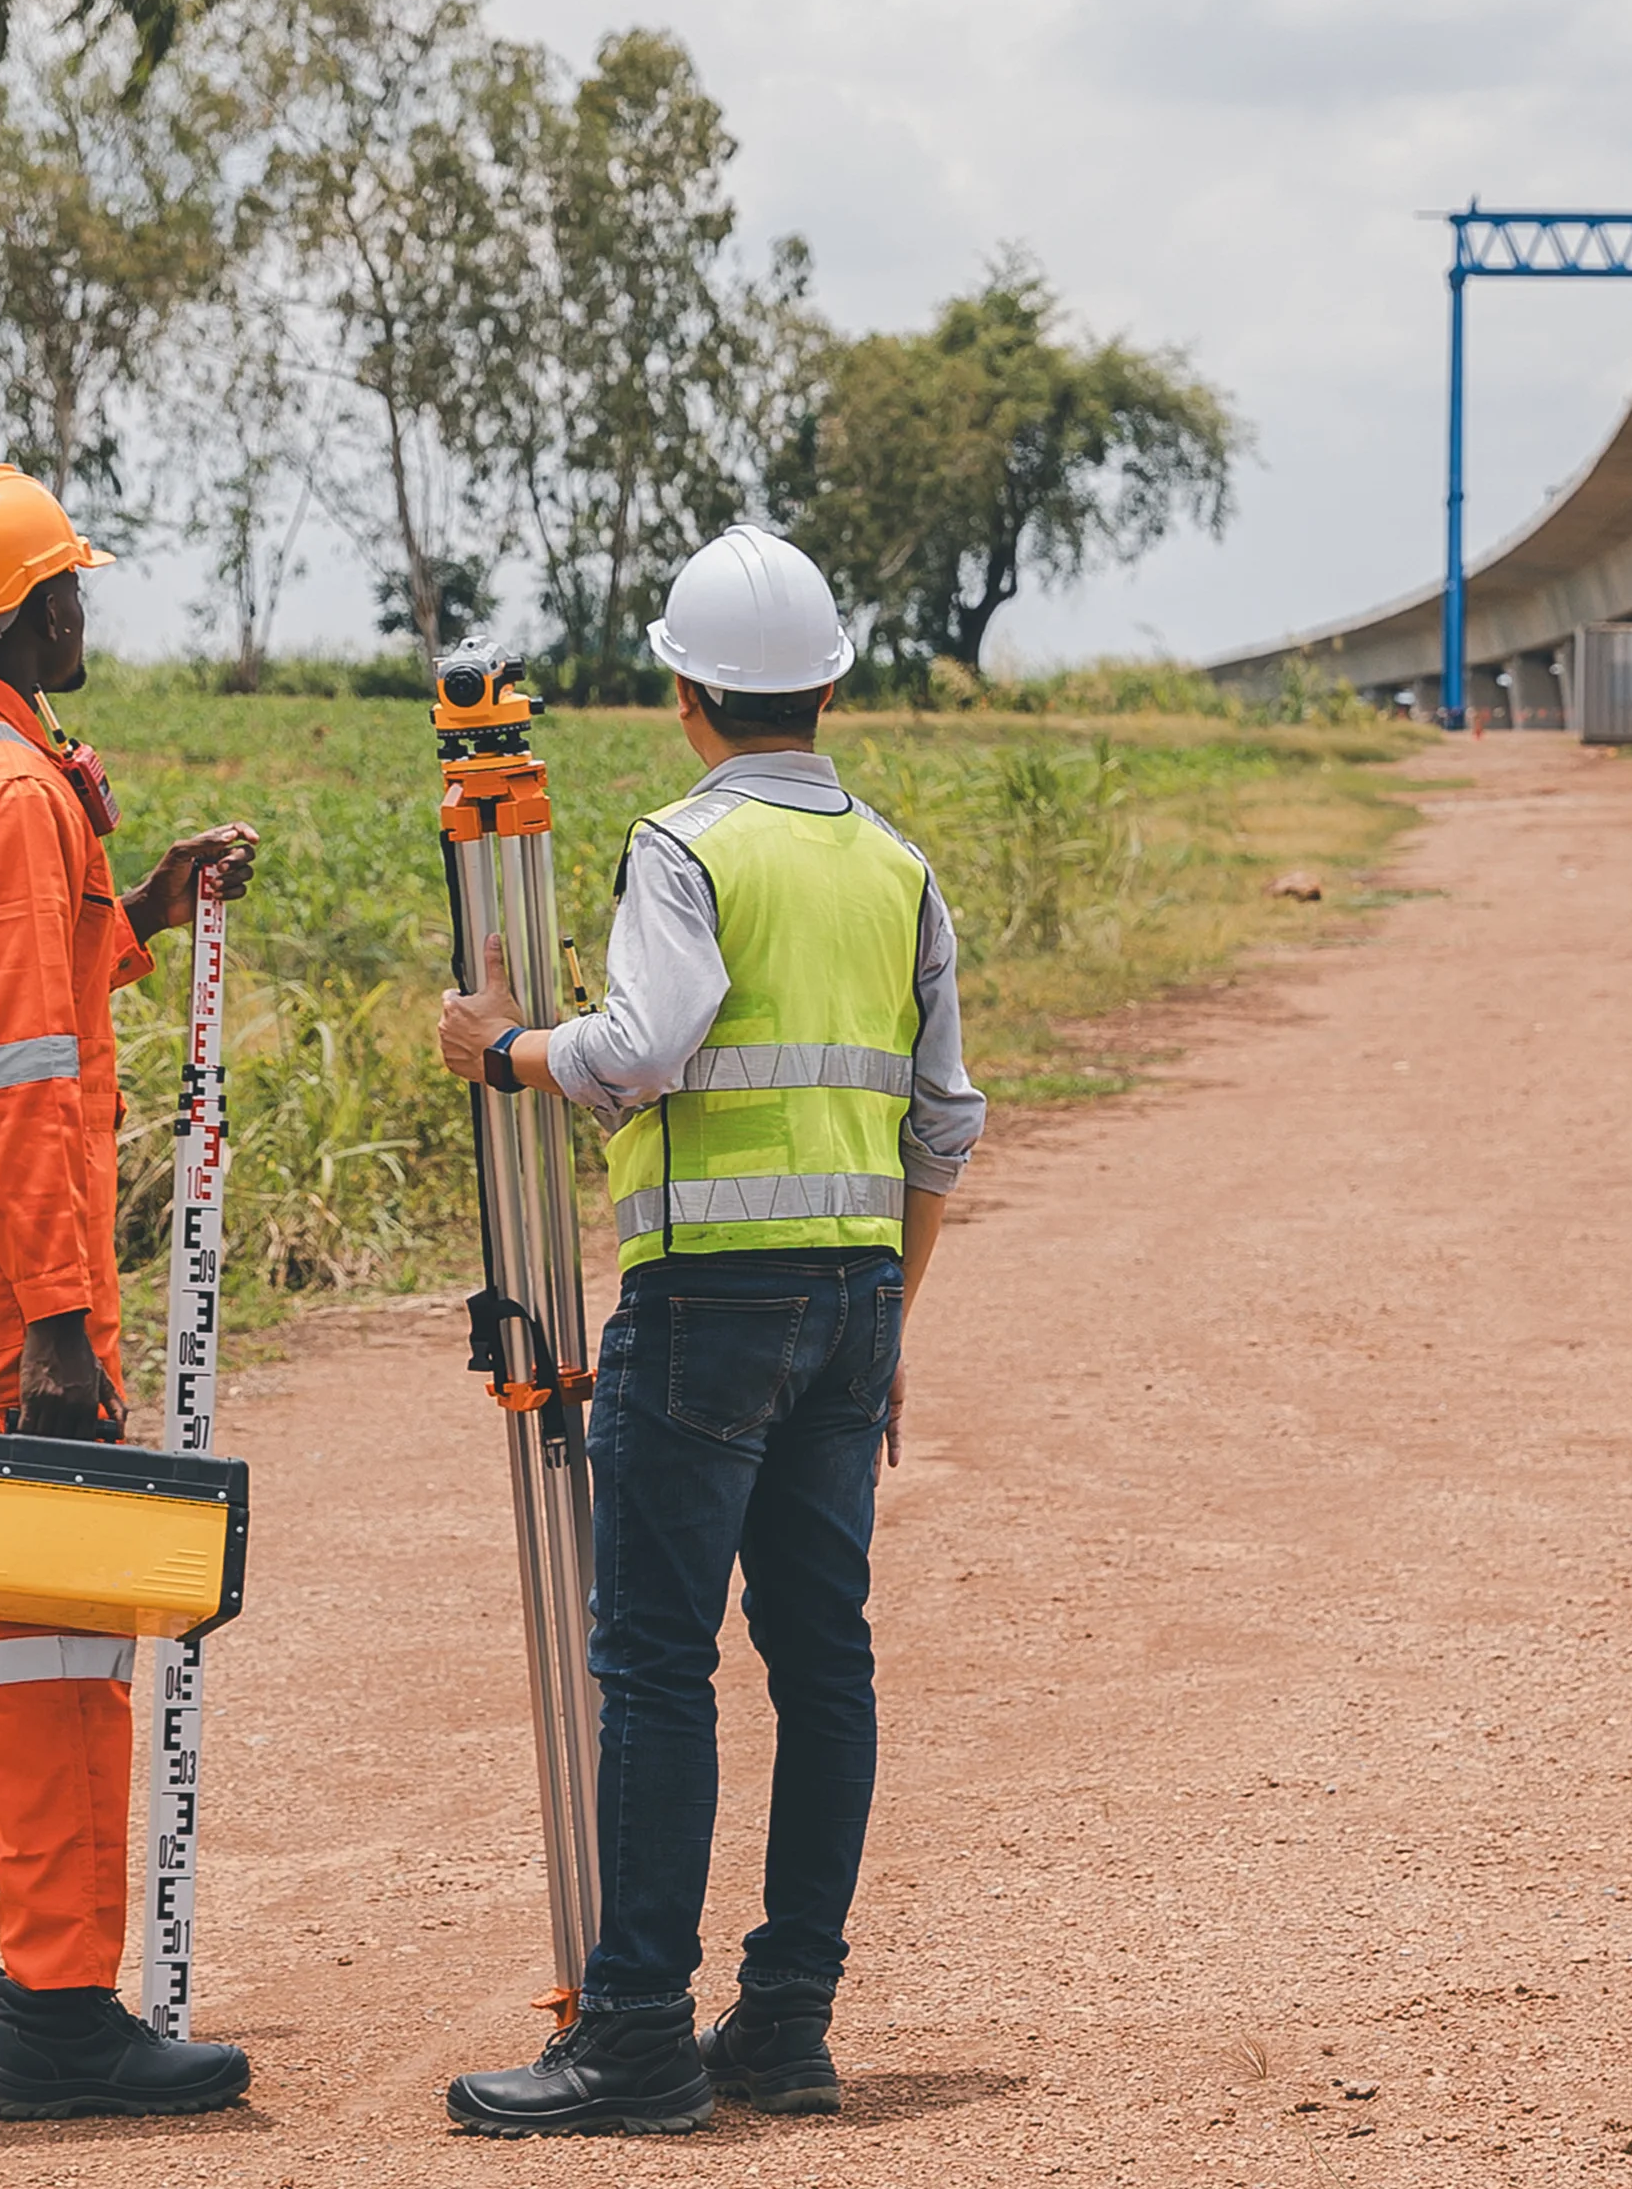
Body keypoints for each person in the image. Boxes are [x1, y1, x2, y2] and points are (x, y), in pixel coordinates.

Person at [423, 527, 980, 2137]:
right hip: (856, 1298)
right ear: (825, 691)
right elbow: (943, 1124)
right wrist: (887, 1324)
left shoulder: (685, 848)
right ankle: (788, 2024)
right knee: (823, 1663)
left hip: (708, 1302)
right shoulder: (896, 867)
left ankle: (638, 2038)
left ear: (686, 694)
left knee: (656, 1664)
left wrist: (508, 1048)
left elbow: (647, 1046)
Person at [0, 464, 265, 2121]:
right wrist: (58, 1327)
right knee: (52, 1626)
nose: (86, 610)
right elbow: (19, 1077)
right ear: (33, 612)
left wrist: (137, 908)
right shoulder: (11, 791)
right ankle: (66, 2012)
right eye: (71, 587)